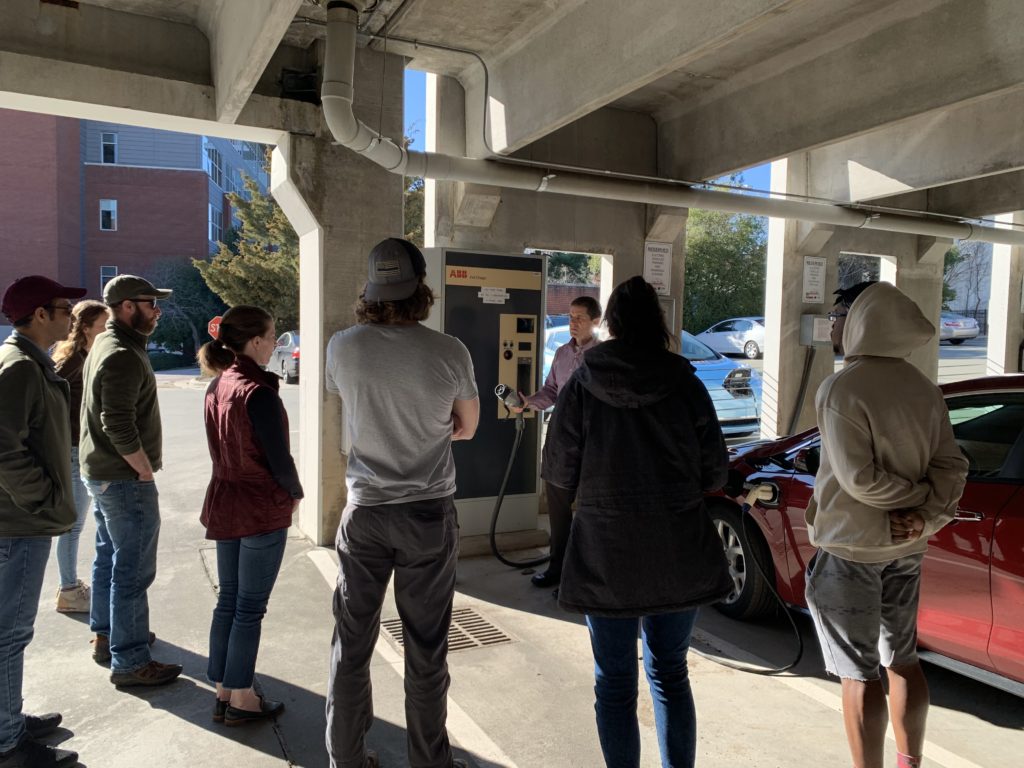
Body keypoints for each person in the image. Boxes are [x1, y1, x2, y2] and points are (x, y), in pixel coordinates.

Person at [542, 275, 733, 768]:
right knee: (670, 674)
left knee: (614, 683)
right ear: (659, 323)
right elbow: (716, 472)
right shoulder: (687, 384)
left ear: (611, 323)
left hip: (605, 552)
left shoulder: (582, 384)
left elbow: (559, 470)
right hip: (678, 549)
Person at [324, 237, 478, 768]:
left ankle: (346, 758)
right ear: (421, 290)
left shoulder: (342, 347)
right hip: (428, 514)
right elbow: (467, 427)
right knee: (426, 648)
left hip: (365, 512)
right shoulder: (450, 351)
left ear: (370, 290)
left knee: (351, 642)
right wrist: (432, 425)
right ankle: (429, 762)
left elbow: (349, 401)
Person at [806, 281, 969, 768]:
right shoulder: (924, 388)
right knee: (903, 659)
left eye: (838, 315)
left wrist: (916, 501)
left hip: (851, 549)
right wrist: (926, 514)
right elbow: (952, 467)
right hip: (908, 546)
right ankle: (909, 761)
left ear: (860, 321)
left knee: (858, 674)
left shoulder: (842, 388)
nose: (833, 324)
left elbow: (859, 480)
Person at [197, 305, 303, 726]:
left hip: (226, 501)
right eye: (273, 335)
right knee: (249, 608)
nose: (275, 343)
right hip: (258, 506)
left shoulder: (218, 383)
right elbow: (278, 457)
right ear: (255, 341)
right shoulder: (257, 391)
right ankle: (242, 696)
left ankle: (223, 689)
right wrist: (294, 493)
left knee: (229, 600)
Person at [0, 275, 86, 767]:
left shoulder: (30, 362)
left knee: (10, 632)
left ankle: (8, 718)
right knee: (10, 633)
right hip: (19, 523)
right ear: (39, 315)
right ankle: (7, 742)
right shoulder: (20, 367)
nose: (70, 317)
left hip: (22, 520)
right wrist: (43, 498)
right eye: (63, 309)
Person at [80, 274, 181, 687]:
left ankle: (108, 636)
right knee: (133, 569)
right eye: (150, 303)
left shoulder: (107, 342)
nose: (157, 311)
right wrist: (142, 468)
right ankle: (130, 660)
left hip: (102, 474)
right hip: (122, 478)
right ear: (126, 306)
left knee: (109, 556)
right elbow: (117, 422)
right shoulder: (121, 352)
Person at [513, 295, 601, 589]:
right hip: (561, 439)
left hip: (593, 440)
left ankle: (584, 575)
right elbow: (551, 391)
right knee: (558, 509)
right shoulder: (563, 353)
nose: (573, 323)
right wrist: (528, 402)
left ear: (596, 321)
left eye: (580, 318)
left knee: (590, 510)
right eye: (571, 317)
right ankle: (557, 569)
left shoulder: (603, 357)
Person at [51, 300, 110, 614]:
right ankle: (69, 590)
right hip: (75, 451)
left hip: (83, 449)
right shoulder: (72, 362)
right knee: (72, 526)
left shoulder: (86, 356)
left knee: (79, 524)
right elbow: (51, 408)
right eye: (103, 325)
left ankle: (70, 586)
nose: (107, 330)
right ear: (85, 328)